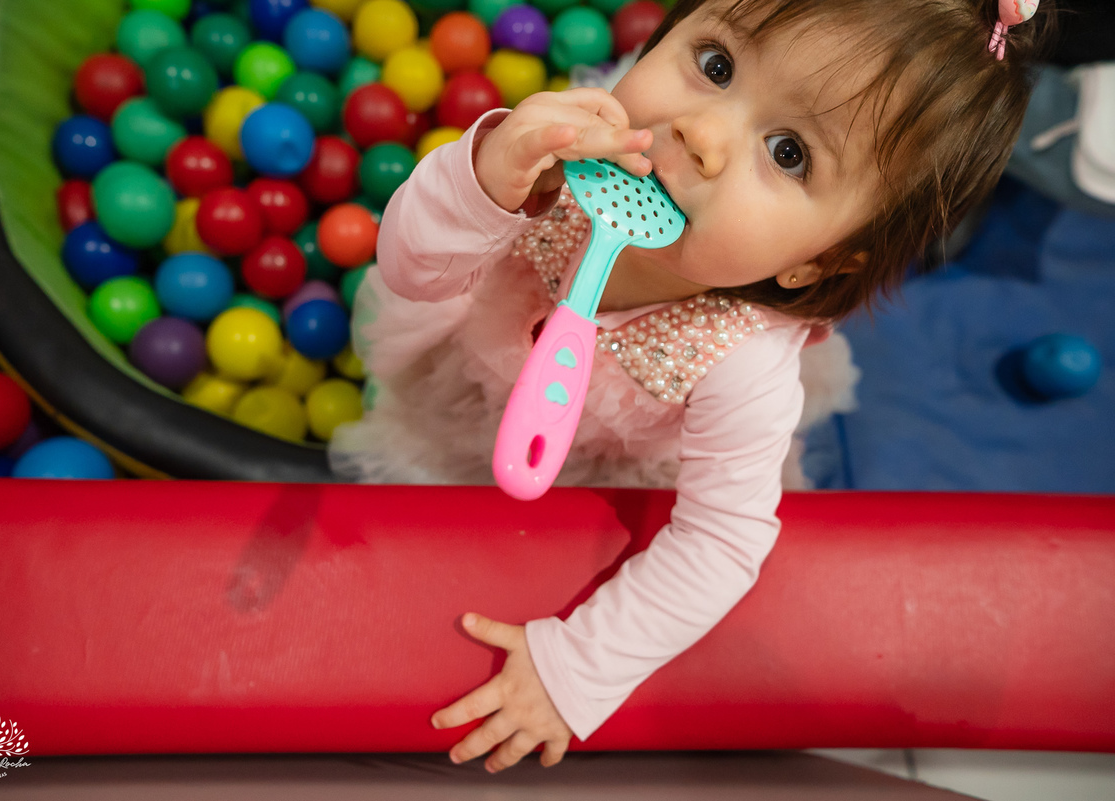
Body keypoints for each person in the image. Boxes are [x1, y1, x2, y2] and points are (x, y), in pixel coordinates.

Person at [330, 0, 1052, 774]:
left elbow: (720, 540)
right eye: (715, 65)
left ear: (815, 263)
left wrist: (574, 668)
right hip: (465, 383)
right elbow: (413, 273)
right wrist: (479, 185)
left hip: (608, 470)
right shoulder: (558, 165)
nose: (701, 137)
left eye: (789, 153)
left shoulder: (742, 366)